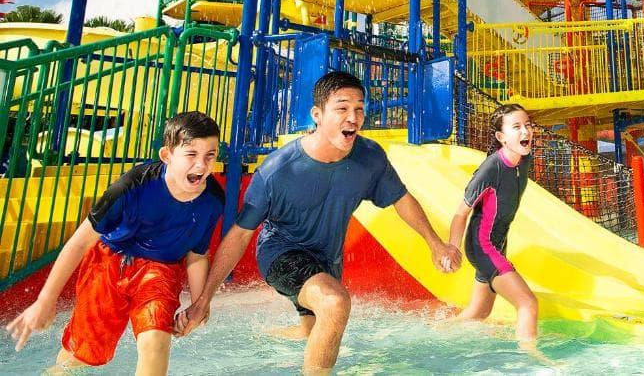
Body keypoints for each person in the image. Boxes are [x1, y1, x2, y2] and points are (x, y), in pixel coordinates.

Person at [179, 71, 461, 375]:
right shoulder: (278, 170)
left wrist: (435, 244)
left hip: (327, 261)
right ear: (317, 115)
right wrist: (204, 300)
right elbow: (239, 235)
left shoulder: (370, 158)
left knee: (314, 330)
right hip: (281, 253)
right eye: (342, 108)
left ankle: (262, 339)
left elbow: (401, 199)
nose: (353, 117)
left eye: (359, 108)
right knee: (334, 302)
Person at [5, 112, 224, 375]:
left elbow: (197, 253)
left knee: (156, 342)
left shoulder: (213, 199)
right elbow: (79, 243)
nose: (201, 165)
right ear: (167, 155)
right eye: (191, 154)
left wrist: (198, 305)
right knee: (81, 356)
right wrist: (45, 300)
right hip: (108, 263)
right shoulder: (131, 187)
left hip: (160, 270)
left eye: (210, 155)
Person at [448, 103, 539, 349]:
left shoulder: (524, 158)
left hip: (499, 243)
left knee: (479, 313)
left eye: (528, 125)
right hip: (483, 246)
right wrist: (452, 249)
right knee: (528, 304)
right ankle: (532, 359)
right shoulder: (491, 168)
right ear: (501, 137)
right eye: (516, 127)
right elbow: (460, 213)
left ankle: (434, 333)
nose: (525, 131)